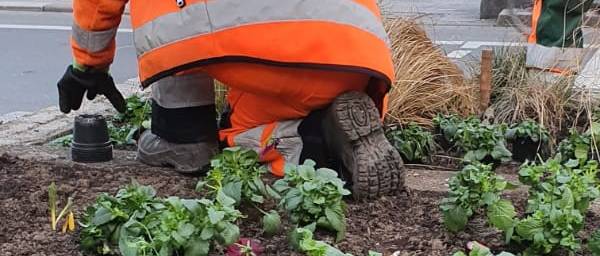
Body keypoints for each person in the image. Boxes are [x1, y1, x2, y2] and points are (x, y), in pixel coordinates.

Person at [56, 0, 405, 198]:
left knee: (172, 24)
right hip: (359, 57)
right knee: (248, 119)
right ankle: (323, 128)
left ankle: (181, 136)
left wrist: (88, 64)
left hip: (268, 44)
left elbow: (98, 2)